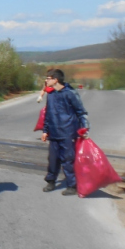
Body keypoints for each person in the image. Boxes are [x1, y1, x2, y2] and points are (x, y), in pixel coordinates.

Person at [41, 68, 90, 196]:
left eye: (48, 78)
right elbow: (48, 114)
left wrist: (85, 128)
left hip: (68, 133)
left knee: (68, 160)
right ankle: (51, 181)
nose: (46, 80)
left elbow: (81, 112)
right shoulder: (50, 94)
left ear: (55, 79)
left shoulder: (70, 93)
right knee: (53, 159)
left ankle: (72, 185)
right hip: (54, 132)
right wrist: (45, 130)